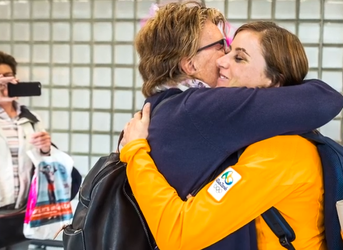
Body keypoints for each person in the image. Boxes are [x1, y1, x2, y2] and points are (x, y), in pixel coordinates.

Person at [121, 20, 328, 250]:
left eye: (239, 58)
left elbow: (179, 233)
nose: (222, 61)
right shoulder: (257, 135)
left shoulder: (278, 154)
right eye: (227, 51)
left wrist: (135, 152)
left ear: (273, 80)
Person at [0, 51, 53, 250]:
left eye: (8, 76)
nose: (4, 83)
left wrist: (47, 150)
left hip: (22, 214)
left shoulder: (32, 119)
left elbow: (44, 165)